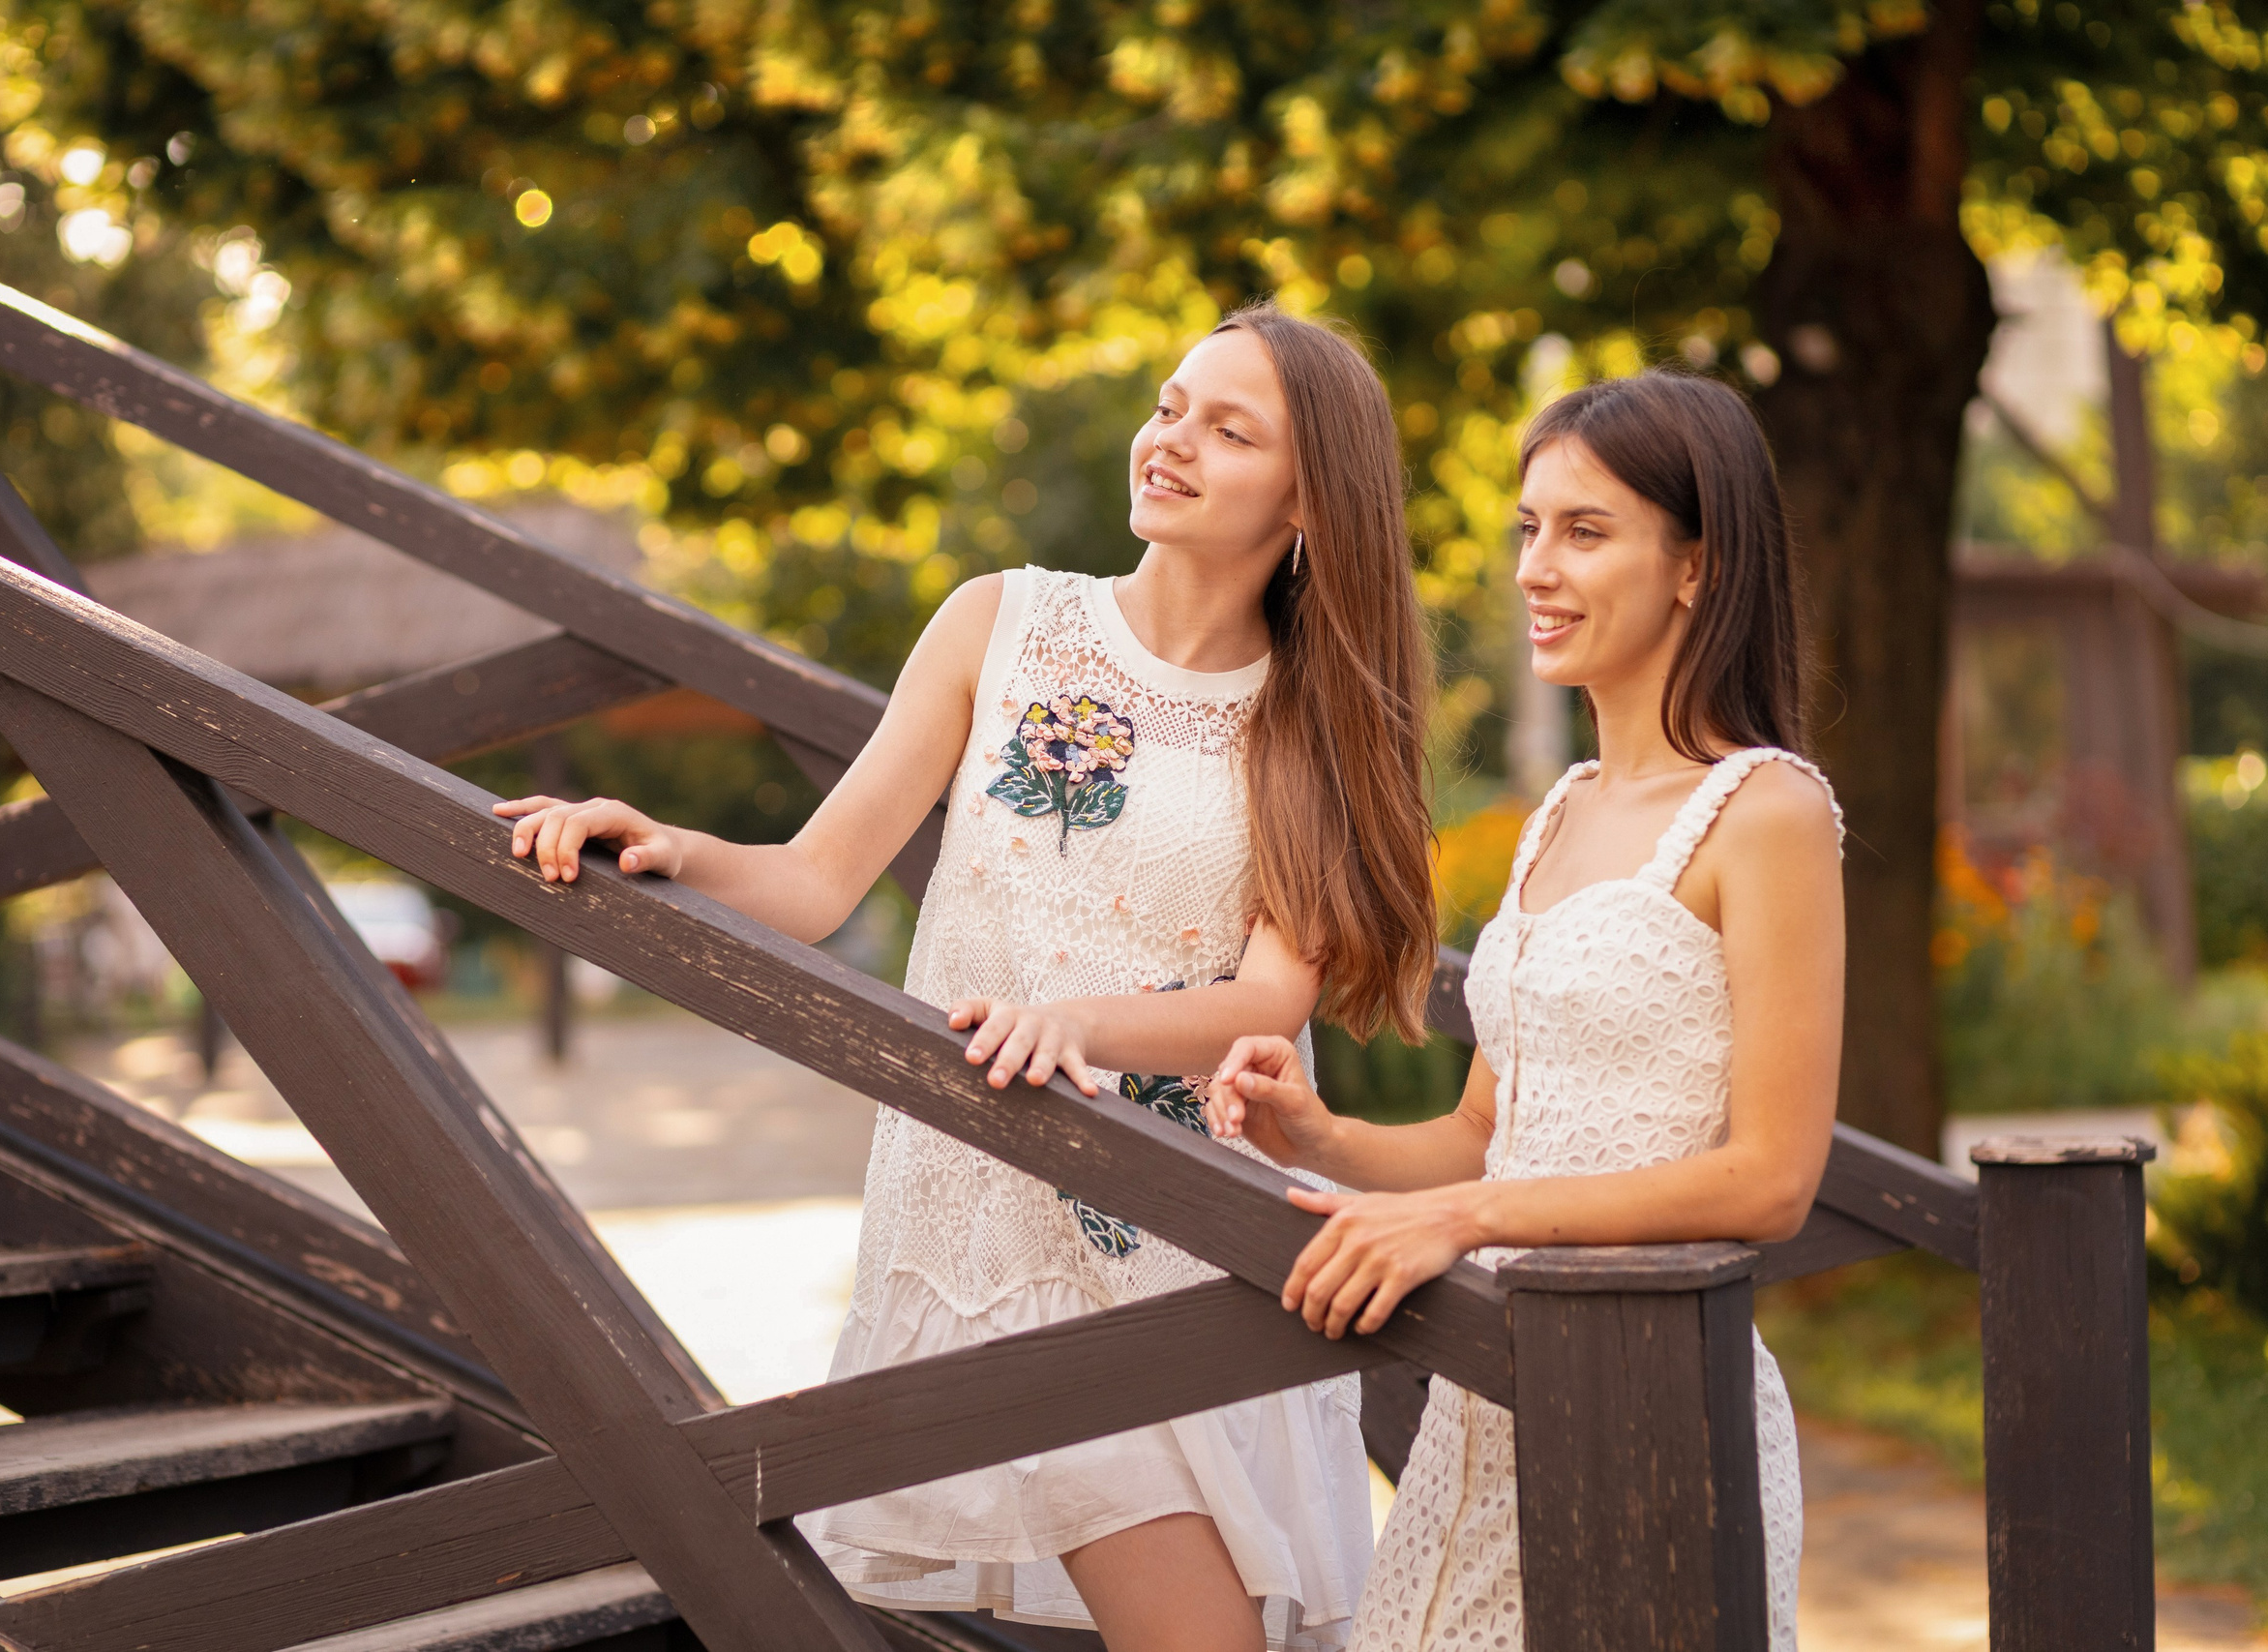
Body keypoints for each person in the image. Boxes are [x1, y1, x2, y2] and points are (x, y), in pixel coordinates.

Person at [492, 301, 1439, 1652]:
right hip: (984, 1204)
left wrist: (1075, 1023)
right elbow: (819, 882)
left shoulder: (1308, 713)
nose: (1171, 443)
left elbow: (1266, 1001)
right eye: (1172, 405)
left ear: (1311, 503)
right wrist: (673, 846)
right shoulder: (1001, 622)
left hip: (1185, 1226)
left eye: (1229, 432)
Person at [1208, 371, 1842, 1651]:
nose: (1536, 570)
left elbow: (1772, 1180)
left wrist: (1464, 1217)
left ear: (1697, 569)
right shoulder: (1558, 817)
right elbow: (1480, 1137)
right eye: (1528, 530)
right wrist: (1315, 1133)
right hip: (1493, 1395)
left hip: (1657, 1392)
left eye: (1586, 532)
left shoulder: (1768, 811)